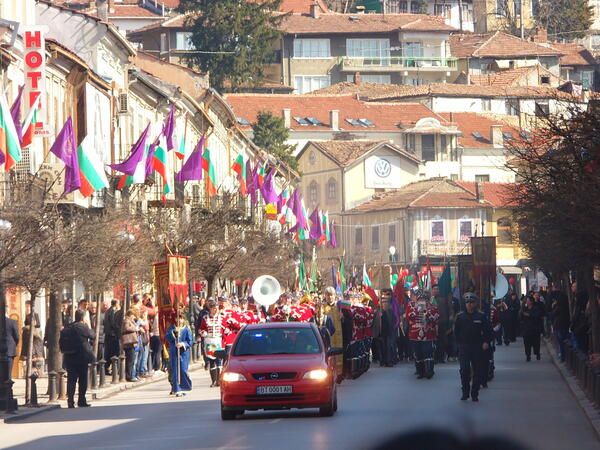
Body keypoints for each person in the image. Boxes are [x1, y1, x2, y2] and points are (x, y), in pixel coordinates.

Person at [454, 292, 492, 402]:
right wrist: (459, 344)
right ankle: (465, 392)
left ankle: (474, 393)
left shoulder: (481, 316)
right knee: (464, 370)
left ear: (475, 303)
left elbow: (488, 331)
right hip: (464, 347)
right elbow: (456, 332)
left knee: (477, 371)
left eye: (471, 302)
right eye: (467, 303)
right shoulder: (460, 317)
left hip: (477, 347)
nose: (469, 304)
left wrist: (486, 342)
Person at [63, 309, 95, 408]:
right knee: (82, 379)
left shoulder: (69, 327)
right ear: (82, 317)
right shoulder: (83, 327)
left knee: (71, 380)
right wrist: (88, 325)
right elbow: (92, 336)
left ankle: (70, 401)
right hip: (81, 356)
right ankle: (81, 400)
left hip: (69, 356)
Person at [405, 290, 439, 379]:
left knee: (428, 353)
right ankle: (420, 372)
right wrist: (418, 311)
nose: (422, 301)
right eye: (420, 299)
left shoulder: (433, 308)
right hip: (415, 335)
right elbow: (409, 317)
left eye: (424, 299)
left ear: (427, 300)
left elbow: (435, 318)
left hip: (428, 335)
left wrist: (426, 313)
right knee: (418, 354)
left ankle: (429, 371)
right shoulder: (411, 306)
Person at [199, 299, 226, 387]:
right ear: (210, 309)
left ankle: (219, 380)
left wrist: (225, 332)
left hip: (218, 340)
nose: (215, 310)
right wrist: (203, 333)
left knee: (219, 360)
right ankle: (214, 381)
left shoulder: (221, 317)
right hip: (209, 341)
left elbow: (225, 327)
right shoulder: (206, 318)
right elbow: (201, 328)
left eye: (216, 308)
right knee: (212, 360)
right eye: (213, 308)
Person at [166, 315, 193, 397]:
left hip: (183, 353)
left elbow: (190, 341)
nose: (179, 320)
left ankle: (184, 386)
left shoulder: (186, 329)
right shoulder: (171, 328)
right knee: (175, 370)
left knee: (183, 370)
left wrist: (183, 344)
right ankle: (177, 389)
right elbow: (168, 338)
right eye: (178, 318)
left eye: (181, 318)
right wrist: (174, 334)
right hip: (174, 352)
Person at [549, 282, 570, 361]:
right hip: (562, 323)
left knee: (561, 340)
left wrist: (553, 306)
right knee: (562, 339)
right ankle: (563, 355)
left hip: (560, 323)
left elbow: (554, 313)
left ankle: (563, 356)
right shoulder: (563, 299)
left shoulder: (559, 303)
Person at [520, 295, 543, 361]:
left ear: (531, 301)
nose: (526, 302)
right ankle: (528, 355)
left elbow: (538, 316)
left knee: (536, 343)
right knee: (527, 343)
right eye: (526, 301)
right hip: (526, 329)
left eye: (528, 300)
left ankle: (537, 353)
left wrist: (529, 315)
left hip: (534, 329)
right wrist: (521, 313)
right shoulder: (524, 308)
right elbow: (520, 318)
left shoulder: (536, 308)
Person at [121, 309, 141, 382]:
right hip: (129, 342)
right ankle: (129, 376)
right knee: (130, 360)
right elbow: (126, 328)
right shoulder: (126, 320)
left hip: (132, 342)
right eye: (133, 315)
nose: (134, 317)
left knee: (132, 360)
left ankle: (131, 374)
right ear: (130, 315)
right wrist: (135, 329)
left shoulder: (130, 320)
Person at [103, 300, 121, 374]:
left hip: (108, 334)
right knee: (114, 352)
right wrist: (119, 328)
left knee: (109, 352)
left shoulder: (107, 311)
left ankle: (107, 368)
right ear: (116, 304)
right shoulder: (113, 312)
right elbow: (113, 323)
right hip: (112, 334)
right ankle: (112, 369)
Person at [3, 312, 19, 379]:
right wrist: (14, 344)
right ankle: (8, 387)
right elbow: (16, 336)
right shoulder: (12, 322)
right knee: (8, 372)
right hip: (10, 349)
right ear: (6, 312)